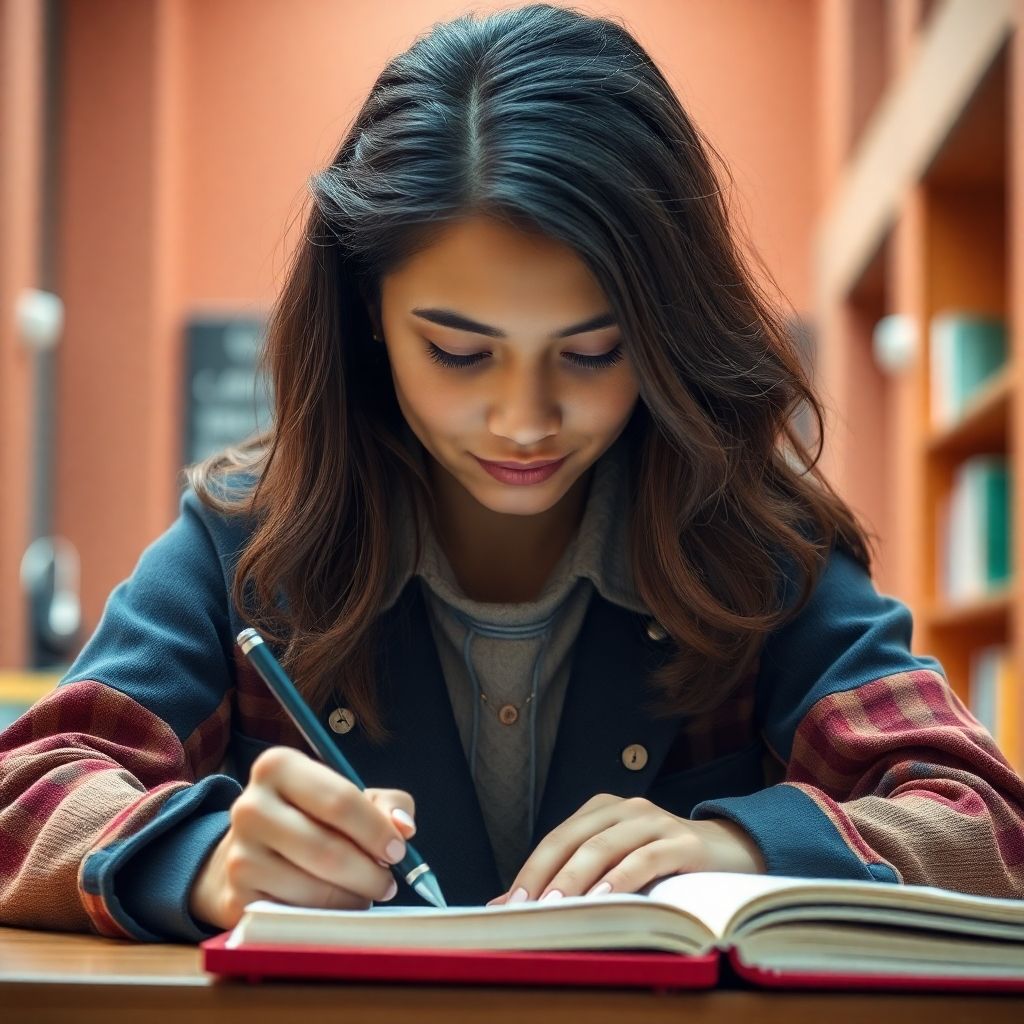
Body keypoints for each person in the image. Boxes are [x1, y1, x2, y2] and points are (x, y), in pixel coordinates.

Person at [2, 3, 1023, 945]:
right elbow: (26, 789)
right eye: (458, 352)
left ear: (664, 334)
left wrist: (746, 851)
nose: (524, 421)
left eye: (591, 353)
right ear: (368, 315)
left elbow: (986, 821)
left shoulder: (748, 546)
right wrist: (207, 861)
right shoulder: (250, 535)